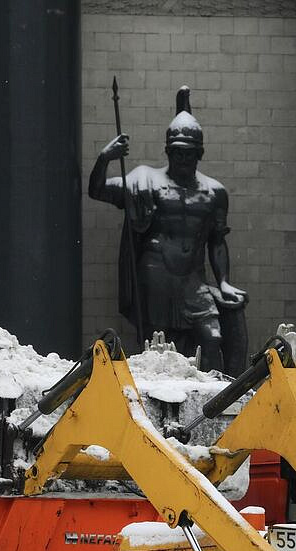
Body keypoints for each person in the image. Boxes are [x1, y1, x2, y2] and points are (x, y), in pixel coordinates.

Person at [88, 87, 246, 372]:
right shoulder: (146, 179)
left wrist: (223, 281)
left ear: (200, 153)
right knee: (156, 345)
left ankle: (212, 398)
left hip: (192, 279)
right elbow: (97, 190)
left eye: (188, 154)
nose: (182, 159)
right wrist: (105, 157)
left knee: (213, 337)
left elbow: (217, 242)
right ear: (168, 151)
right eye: (177, 153)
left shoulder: (214, 192)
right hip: (155, 274)